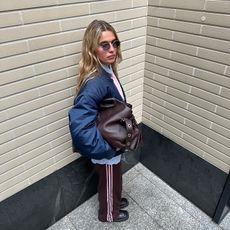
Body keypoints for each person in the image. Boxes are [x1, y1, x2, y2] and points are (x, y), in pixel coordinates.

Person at [69, 20, 129, 222]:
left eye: (115, 43)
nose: (112, 49)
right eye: (105, 45)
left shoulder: (107, 69)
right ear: (92, 48)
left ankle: (115, 199)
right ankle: (109, 213)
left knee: (113, 179)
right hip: (107, 147)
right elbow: (80, 129)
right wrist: (107, 150)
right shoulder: (95, 83)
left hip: (112, 141)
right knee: (109, 179)